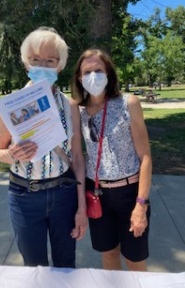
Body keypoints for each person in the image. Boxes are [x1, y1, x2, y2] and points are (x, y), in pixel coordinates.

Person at [0, 27, 87, 268]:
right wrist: (12, 154)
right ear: (26, 63)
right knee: (33, 267)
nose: (43, 66)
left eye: (50, 60)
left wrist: (82, 207)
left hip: (64, 195)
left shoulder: (71, 106)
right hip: (25, 197)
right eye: (36, 60)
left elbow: (77, 158)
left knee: (66, 265)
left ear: (60, 66)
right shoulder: (10, 106)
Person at [71, 48, 152, 271]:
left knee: (135, 260)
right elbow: (76, 155)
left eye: (98, 70)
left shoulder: (129, 103)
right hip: (96, 193)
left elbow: (145, 157)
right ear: (79, 77)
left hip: (130, 193)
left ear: (109, 73)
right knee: (109, 254)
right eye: (87, 72)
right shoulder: (78, 110)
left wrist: (141, 205)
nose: (93, 76)